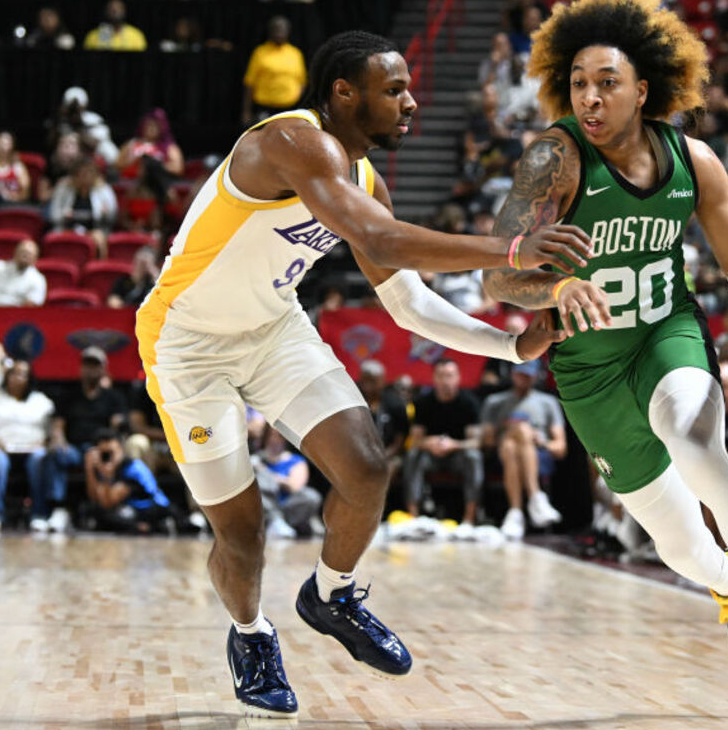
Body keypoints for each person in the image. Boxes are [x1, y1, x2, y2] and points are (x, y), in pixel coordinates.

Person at [134, 29, 590, 717]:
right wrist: (513, 248)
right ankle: (251, 634)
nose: (411, 103)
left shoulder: (364, 176)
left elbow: (405, 301)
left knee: (368, 466)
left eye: (409, 88)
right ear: (345, 93)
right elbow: (378, 239)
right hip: (186, 344)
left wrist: (509, 348)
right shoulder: (292, 140)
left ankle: (331, 593)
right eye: (395, 90)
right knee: (244, 531)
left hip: (272, 327)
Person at [479, 0, 728, 713]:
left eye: (608, 82)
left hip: (666, 332)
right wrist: (556, 283)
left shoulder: (695, 159)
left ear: (644, 88)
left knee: (696, 443)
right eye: (580, 82)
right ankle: (727, 588)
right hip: (587, 367)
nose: (591, 96)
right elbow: (495, 277)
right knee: (679, 543)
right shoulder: (551, 159)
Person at [41, 346, 126, 532]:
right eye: (87, 365)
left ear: (104, 369)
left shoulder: (113, 398)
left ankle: (106, 509)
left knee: (107, 457)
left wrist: (108, 448)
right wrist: (59, 441)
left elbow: (117, 428)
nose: (91, 370)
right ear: (80, 368)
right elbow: (57, 425)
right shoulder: (69, 396)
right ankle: (58, 508)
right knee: (55, 455)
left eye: (95, 365)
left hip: (100, 449)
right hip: (73, 448)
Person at [480, 360, 566, 538]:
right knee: (516, 435)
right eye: (520, 374)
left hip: (539, 452)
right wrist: (504, 428)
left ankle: (515, 512)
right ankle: (535, 496)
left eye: (527, 375)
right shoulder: (495, 402)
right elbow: (487, 441)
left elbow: (560, 448)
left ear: (536, 376)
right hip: (499, 454)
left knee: (513, 444)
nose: (523, 379)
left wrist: (540, 440)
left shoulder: (548, 402)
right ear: (512, 374)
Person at [402, 359, 483, 529]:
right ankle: (413, 516)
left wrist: (454, 444)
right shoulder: (423, 402)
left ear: (458, 378)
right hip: (431, 456)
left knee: (473, 457)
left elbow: (476, 442)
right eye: (441, 376)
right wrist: (429, 443)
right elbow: (415, 440)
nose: (445, 381)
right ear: (434, 378)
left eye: (450, 376)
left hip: (458, 456)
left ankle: (469, 518)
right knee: (412, 455)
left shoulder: (469, 402)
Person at [0, 360, 53, 531]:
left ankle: (39, 514)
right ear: (7, 377)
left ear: (29, 378)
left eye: (23, 374)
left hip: (32, 449)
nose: (18, 378)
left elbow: (51, 429)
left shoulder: (40, 401)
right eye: (14, 373)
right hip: (1, 448)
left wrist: (45, 441)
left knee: (41, 459)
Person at [85, 428, 174, 533]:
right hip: (129, 508)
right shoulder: (102, 468)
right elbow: (95, 498)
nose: (107, 458)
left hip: (152, 507)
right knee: (94, 511)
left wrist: (107, 473)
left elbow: (109, 501)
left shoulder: (132, 467)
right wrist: (89, 469)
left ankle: (146, 526)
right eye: (104, 454)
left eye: (110, 453)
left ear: (121, 449)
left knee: (112, 515)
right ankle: (139, 527)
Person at [242, 16, 307, 126]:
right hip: (265, 109)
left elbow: (302, 81)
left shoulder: (295, 53)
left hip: (290, 109)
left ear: (288, 31)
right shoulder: (260, 52)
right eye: (276, 29)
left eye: (282, 29)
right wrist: (246, 111)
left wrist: (298, 100)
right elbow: (249, 83)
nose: (279, 33)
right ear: (270, 31)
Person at [0, 239, 46, 307]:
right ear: (15, 252)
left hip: (17, 315)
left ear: (35, 259)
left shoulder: (38, 279)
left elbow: (32, 305)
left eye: (29, 254)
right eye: (22, 252)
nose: (25, 256)